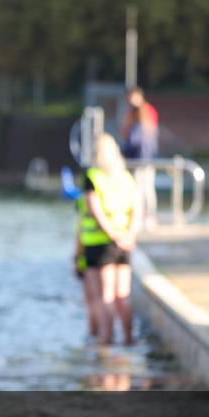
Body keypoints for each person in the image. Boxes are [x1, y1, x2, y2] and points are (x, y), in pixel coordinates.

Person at [82, 133, 140, 345]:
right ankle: (129, 338)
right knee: (123, 295)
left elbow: (95, 211)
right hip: (125, 242)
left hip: (101, 243)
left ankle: (106, 339)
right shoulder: (125, 176)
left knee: (105, 295)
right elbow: (137, 208)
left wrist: (114, 237)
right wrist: (129, 236)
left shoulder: (93, 176)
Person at [121, 86, 159, 229]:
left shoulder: (145, 112)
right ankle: (145, 217)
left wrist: (125, 153)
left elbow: (136, 140)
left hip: (142, 158)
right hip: (142, 157)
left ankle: (148, 217)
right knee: (142, 188)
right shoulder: (133, 113)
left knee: (143, 188)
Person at [74, 191, 100, 338]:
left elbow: (80, 230)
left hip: (91, 249)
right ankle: (124, 341)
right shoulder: (124, 183)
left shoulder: (84, 198)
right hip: (120, 246)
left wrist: (76, 258)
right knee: (114, 298)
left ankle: (97, 339)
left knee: (94, 300)